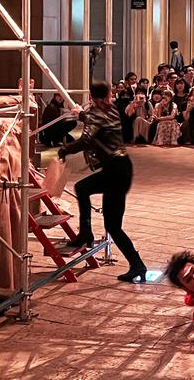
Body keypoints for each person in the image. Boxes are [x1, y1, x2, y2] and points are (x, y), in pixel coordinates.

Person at [59, 81, 146, 283]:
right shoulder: (112, 109)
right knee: (111, 223)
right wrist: (81, 115)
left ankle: (87, 234)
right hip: (121, 168)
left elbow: (86, 139)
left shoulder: (98, 112)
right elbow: (96, 120)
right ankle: (136, 264)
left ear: (93, 97)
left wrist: (65, 149)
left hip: (114, 170)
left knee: (84, 191)